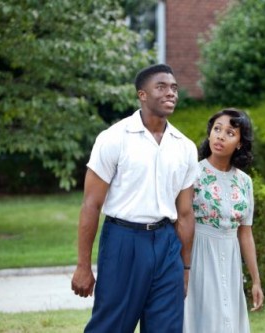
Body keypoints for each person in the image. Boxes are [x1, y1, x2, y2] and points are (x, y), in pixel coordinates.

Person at [71, 64, 199, 333]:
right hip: (123, 241)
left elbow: (185, 214)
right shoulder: (113, 138)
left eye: (174, 88)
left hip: (167, 245)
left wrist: (185, 268)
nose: (170, 93)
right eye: (161, 87)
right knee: (111, 326)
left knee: (166, 328)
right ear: (142, 95)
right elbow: (91, 205)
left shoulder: (184, 147)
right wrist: (83, 266)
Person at [183, 108, 264, 333]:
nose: (220, 136)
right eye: (217, 129)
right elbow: (181, 222)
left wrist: (256, 280)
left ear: (239, 142)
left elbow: (245, 234)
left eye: (230, 132)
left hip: (230, 257)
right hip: (199, 255)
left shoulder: (245, 182)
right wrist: (184, 267)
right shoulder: (193, 174)